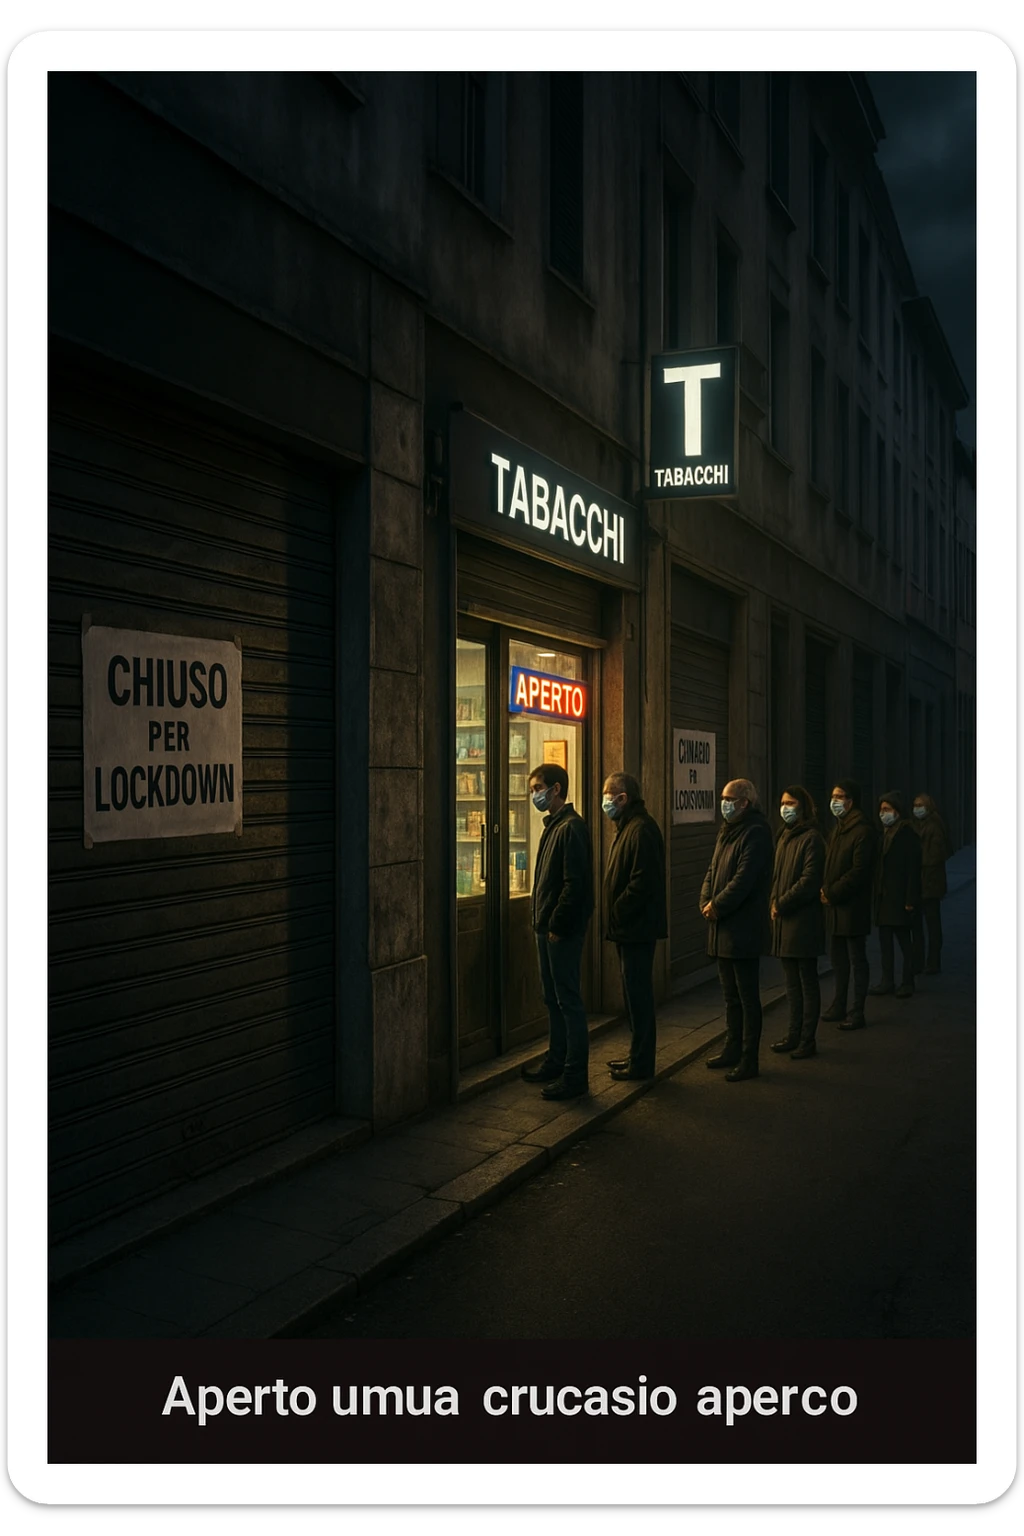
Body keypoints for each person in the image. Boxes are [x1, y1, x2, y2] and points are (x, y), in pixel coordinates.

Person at [519, 762, 594, 1100]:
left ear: (556, 789)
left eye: (538, 788)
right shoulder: (554, 826)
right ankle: (556, 1060)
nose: (534, 794)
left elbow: (574, 884)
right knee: (553, 999)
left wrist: (557, 926)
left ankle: (575, 1075)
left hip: (558, 932)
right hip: (546, 928)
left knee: (568, 1002)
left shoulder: (571, 828)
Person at [700, 778, 773, 1081]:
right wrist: (705, 899)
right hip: (722, 927)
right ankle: (731, 1048)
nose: (724, 803)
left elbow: (744, 879)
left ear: (745, 802)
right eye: (722, 798)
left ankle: (748, 1058)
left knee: (746, 996)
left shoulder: (755, 832)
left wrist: (717, 905)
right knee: (730, 996)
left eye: (729, 799)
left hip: (742, 927)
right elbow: (712, 870)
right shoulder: (727, 831)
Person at [600, 772, 668, 1081]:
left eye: (608, 795)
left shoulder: (641, 829)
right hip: (627, 927)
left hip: (636, 928)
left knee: (638, 997)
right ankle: (635, 1057)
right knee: (632, 996)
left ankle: (641, 1064)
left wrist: (618, 909)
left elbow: (643, 882)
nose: (605, 801)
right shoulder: (628, 826)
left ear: (623, 798)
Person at [769, 785, 827, 1059]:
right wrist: (773, 901)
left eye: (790, 803)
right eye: (782, 803)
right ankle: (793, 1034)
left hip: (803, 921)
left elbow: (809, 881)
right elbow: (776, 876)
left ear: (802, 807)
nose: (785, 808)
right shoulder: (784, 836)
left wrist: (782, 903)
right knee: (791, 984)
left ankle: (807, 1039)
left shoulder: (812, 838)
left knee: (807, 981)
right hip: (784, 921)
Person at [820, 778, 877, 1031]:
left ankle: (857, 1011)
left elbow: (859, 871)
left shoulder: (862, 830)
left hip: (852, 906)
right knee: (838, 960)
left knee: (857, 959)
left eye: (840, 796)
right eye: (833, 796)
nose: (835, 801)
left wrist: (832, 892)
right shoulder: (839, 828)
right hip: (835, 906)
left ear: (851, 801)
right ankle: (839, 1004)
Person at [870, 790, 922, 1000]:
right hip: (884, 896)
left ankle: (908, 981)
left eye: (887, 809)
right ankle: (887, 980)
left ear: (897, 812)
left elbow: (913, 870)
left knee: (904, 941)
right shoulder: (883, 835)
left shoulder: (907, 835)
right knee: (885, 942)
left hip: (900, 898)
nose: (883, 814)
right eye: (881, 810)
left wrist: (910, 900)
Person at [910, 792, 951, 974]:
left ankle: (933, 962)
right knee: (918, 924)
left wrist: (917, 860)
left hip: (931, 883)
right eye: (915, 804)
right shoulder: (919, 825)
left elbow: (936, 855)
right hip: (921, 882)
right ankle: (919, 961)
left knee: (932, 924)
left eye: (921, 805)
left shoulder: (934, 826)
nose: (917, 808)